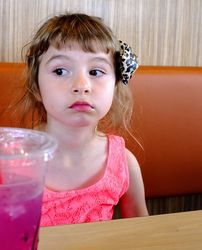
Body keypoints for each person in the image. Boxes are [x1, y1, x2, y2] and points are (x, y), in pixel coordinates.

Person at [17, 13, 149, 226]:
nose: (82, 85)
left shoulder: (124, 163)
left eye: (96, 71)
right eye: (60, 71)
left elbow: (143, 234)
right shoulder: (14, 159)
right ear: (36, 88)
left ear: (115, 87)